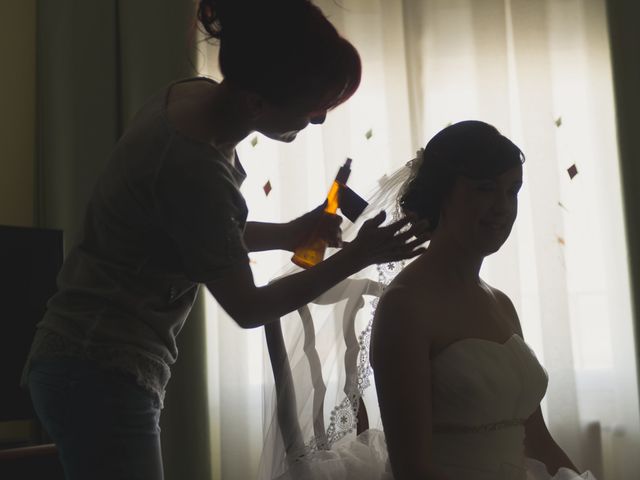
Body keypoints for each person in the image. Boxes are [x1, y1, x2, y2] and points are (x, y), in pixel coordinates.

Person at [22, 1, 428, 479]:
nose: (317, 120)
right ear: (257, 101)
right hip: (98, 367)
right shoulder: (194, 165)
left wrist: (287, 234)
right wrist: (357, 256)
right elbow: (248, 307)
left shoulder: (191, 100)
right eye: (313, 107)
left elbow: (190, 231)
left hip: (80, 359)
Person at [258, 121, 595, 480]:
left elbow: (538, 439)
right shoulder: (406, 307)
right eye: (485, 190)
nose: (502, 207)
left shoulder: (502, 304)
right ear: (441, 195)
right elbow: (412, 469)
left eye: (512, 191)